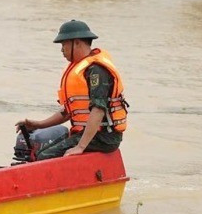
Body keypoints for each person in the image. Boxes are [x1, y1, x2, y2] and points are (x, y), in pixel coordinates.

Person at [14, 19, 127, 162]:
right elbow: (69, 111)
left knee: (45, 157)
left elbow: (98, 110)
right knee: (40, 153)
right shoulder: (80, 67)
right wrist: (38, 124)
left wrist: (80, 147)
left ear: (77, 42)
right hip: (89, 134)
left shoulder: (96, 70)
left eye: (64, 45)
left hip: (104, 137)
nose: (62, 50)